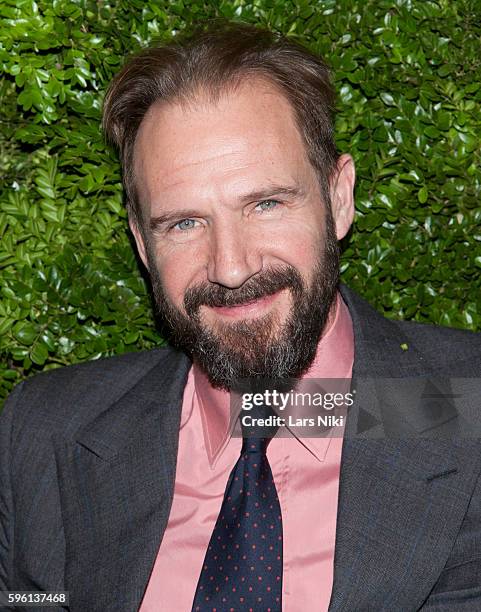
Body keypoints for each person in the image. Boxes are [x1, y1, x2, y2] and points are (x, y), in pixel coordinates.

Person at [1, 21, 480, 612]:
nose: (230, 267)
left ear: (339, 199)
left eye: (266, 204)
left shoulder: (463, 402)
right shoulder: (48, 430)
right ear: (143, 246)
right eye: (183, 223)